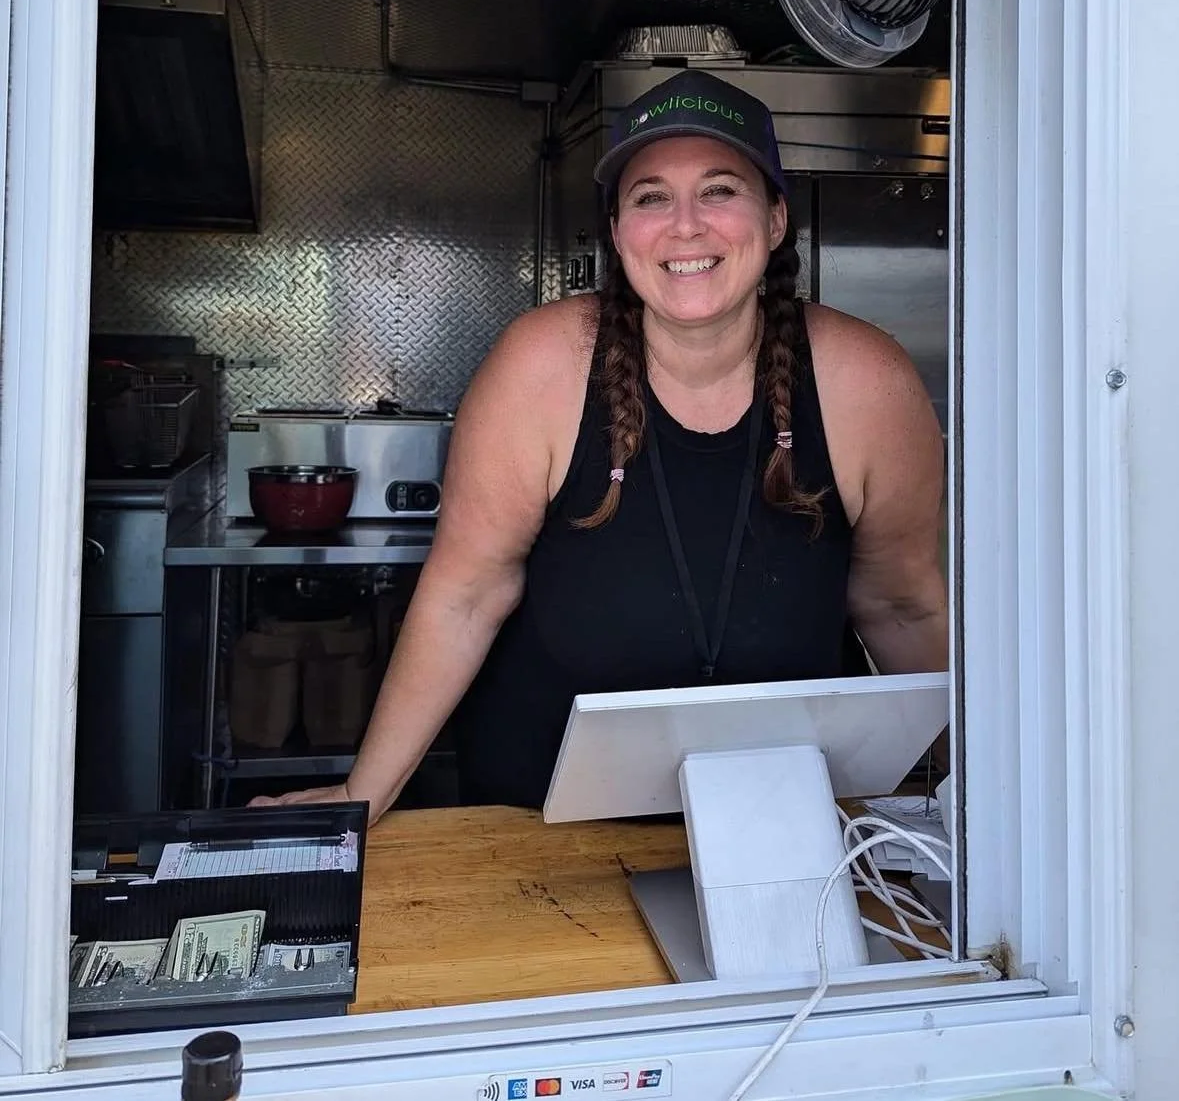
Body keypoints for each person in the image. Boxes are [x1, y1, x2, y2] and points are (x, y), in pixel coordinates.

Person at [252, 71, 948, 822]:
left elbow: (900, 604)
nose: (685, 225)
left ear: (774, 219)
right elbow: (465, 595)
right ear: (617, 232)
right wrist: (364, 795)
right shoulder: (540, 363)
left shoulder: (867, 380)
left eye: (719, 190)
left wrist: (988, 783)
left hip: (781, 813)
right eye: (651, 196)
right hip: (545, 820)